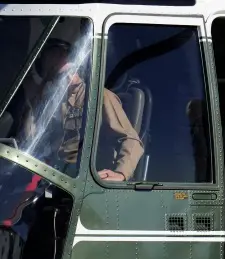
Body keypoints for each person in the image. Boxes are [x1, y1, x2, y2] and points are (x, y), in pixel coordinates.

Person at [15, 36, 144, 181]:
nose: (67, 76)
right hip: (55, 176)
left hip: (86, 179)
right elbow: (32, 140)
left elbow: (131, 139)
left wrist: (121, 174)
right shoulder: (51, 104)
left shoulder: (98, 96)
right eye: (54, 74)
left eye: (67, 66)